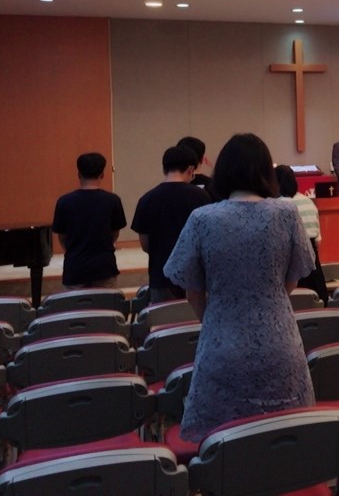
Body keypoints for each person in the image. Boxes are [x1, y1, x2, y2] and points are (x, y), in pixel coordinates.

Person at [164, 133, 316, 442]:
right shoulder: (287, 214)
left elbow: (191, 289)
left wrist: (215, 318)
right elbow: (294, 278)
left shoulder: (202, 219)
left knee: (221, 443)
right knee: (284, 439)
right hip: (279, 339)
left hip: (222, 342)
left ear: (223, 170)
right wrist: (269, 301)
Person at [131, 145, 211, 303]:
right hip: (195, 276)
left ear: (164, 169)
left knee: (165, 317)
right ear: (190, 169)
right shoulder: (201, 196)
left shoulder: (147, 199)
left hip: (161, 276)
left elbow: (145, 245)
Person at [51, 152, 127, 289]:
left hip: (75, 268)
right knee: (106, 303)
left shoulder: (64, 202)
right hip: (104, 267)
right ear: (102, 174)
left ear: (79, 174)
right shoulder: (112, 200)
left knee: (76, 303)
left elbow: (62, 237)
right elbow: (114, 233)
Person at [274, 164, 329, 302]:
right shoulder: (309, 203)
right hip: (313, 271)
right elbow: (318, 242)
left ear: (276, 183)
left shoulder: (275, 206)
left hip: (287, 272)